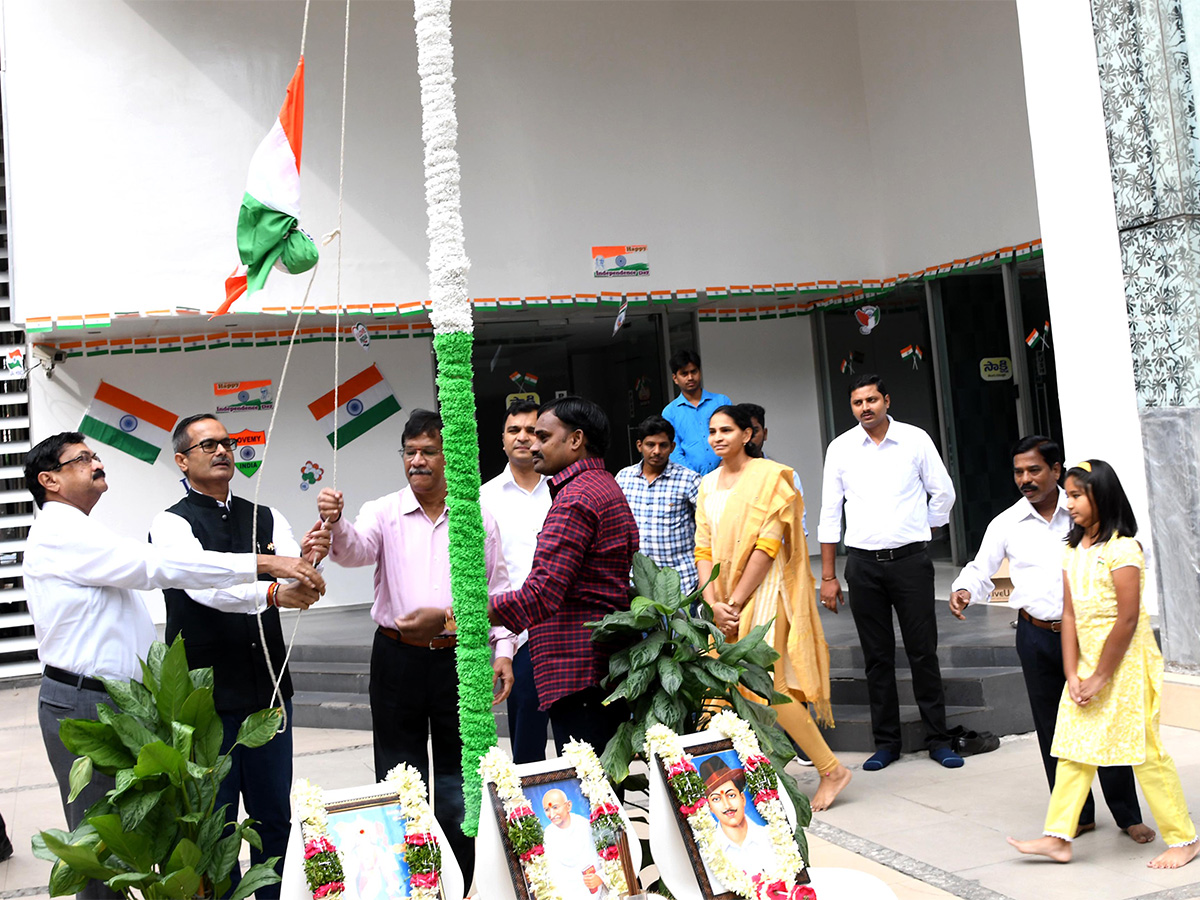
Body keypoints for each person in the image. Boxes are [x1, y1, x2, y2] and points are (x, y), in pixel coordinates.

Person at [22, 432, 323, 898]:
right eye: (82, 459)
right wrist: (265, 568)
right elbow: (158, 567)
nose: (96, 463)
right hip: (84, 702)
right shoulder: (62, 532)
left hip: (119, 701)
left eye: (95, 455)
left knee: (134, 839)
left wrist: (291, 564)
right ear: (50, 480)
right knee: (103, 844)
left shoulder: (82, 527)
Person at [316, 409, 515, 886]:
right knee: (399, 775)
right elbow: (354, 551)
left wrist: (503, 650)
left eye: (428, 451)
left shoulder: (475, 516)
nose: (418, 461)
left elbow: (498, 586)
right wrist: (335, 522)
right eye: (410, 453)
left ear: (449, 457)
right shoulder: (382, 511)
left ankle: (465, 880)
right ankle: (410, 879)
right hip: (396, 658)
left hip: (459, 659)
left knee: (458, 777)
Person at [150, 413, 331, 898]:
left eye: (226, 442)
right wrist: (273, 591)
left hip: (268, 690)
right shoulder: (170, 523)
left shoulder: (266, 515)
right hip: (204, 698)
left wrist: (313, 555)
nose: (221, 450)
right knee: (218, 820)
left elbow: (293, 574)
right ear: (182, 460)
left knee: (275, 813)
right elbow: (203, 587)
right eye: (207, 445)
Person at [950, 436, 1151, 843]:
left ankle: (1127, 814)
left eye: (1034, 470)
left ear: (1056, 470)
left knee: (1103, 723)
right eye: (1019, 472)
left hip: (1090, 635)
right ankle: (1077, 816)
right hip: (1037, 636)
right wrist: (964, 588)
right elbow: (980, 565)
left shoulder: (1081, 510)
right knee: (1053, 729)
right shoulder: (1006, 522)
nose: (1025, 479)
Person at [1009, 460, 1198, 869]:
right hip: (1088, 667)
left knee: (1144, 751)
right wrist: (1073, 672)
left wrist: (1100, 676)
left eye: (1077, 495)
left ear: (1102, 497)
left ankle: (1184, 838)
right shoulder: (1071, 550)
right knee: (1074, 748)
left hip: (1125, 665)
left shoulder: (1123, 549)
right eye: (1069, 494)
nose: (1069, 502)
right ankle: (1058, 836)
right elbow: (1070, 615)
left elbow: (1128, 620)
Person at [695, 405, 852, 811]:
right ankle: (727, 781)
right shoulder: (707, 485)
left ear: (748, 435)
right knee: (721, 688)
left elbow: (767, 547)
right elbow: (703, 549)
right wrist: (713, 603)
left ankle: (831, 769)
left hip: (766, 592)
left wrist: (733, 602)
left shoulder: (772, 478)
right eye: (712, 431)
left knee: (769, 688)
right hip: (722, 598)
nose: (718, 438)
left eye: (726, 430)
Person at [818, 374, 960, 770]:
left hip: (911, 562)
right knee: (876, 657)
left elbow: (943, 490)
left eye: (872, 400)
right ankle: (887, 743)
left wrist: (927, 527)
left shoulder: (915, 439)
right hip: (863, 566)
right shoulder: (841, 448)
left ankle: (938, 739)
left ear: (887, 400)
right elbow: (830, 513)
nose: (865, 408)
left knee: (922, 652)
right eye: (858, 402)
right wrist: (828, 576)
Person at [488, 396, 638, 755]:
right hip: (597, 665)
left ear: (575, 440)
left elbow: (542, 593)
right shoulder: (603, 485)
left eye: (542, 436)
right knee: (597, 786)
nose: (532, 445)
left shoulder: (576, 499)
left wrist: (473, 613)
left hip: (578, 668)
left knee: (588, 789)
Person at [480, 399, 553, 763]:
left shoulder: (562, 489)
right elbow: (486, 575)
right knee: (527, 744)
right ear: (503, 440)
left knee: (578, 739)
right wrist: (502, 648)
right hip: (518, 634)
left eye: (533, 431)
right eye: (515, 430)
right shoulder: (484, 499)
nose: (524, 438)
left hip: (565, 630)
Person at [615, 415, 701, 593]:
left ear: (672, 447)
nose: (656, 451)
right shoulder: (623, 478)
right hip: (636, 583)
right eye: (650, 444)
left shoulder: (689, 480)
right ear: (639, 445)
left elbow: (708, 527)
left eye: (663, 445)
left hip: (682, 583)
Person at [698, 757, 780, 885]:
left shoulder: (771, 836)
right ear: (710, 808)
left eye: (731, 795)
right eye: (716, 799)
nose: (727, 805)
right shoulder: (708, 852)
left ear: (742, 798)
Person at [661, 349, 731, 475]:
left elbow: (732, 438)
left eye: (694, 371)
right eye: (684, 374)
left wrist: (721, 470)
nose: (690, 377)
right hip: (690, 482)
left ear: (700, 372)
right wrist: (694, 478)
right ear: (675, 378)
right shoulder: (669, 413)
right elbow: (674, 452)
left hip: (728, 473)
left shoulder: (722, 402)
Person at [740, 403, 806, 535]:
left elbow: (797, 528)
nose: (749, 438)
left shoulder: (785, 476)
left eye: (755, 431)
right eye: (743, 432)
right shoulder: (722, 477)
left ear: (765, 434)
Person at [541, 789, 608, 900]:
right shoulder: (547, 835)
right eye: (547, 810)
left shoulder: (586, 827)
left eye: (555, 807)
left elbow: (609, 860)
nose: (552, 814)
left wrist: (600, 877)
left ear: (568, 806)